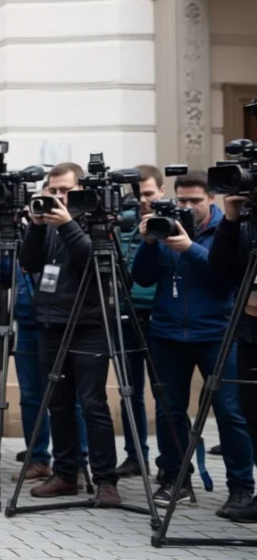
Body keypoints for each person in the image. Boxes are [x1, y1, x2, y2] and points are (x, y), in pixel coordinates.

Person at [133, 171, 254, 514]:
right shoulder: (165, 224)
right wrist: (148, 242)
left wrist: (190, 249)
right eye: (182, 199)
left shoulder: (228, 228)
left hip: (219, 333)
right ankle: (176, 479)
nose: (187, 206)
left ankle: (241, 488)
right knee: (170, 411)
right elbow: (141, 278)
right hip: (168, 333)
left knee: (231, 413)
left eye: (195, 200)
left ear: (211, 199)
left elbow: (226, 280)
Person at [20, 163, 119, 504]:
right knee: (58, 403)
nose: (59, 197)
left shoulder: (98, 221)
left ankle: (106, 480)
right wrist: (36, 227)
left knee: (92, 404)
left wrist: (67, 225)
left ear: (81, 190)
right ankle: (65, 474)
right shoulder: (48, 225)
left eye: (66, 190)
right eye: (53, 190)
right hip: (52, 323)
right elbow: (30, 264)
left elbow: (94, 263)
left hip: (89, 326)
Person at [208, 188, 257, 524]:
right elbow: (221, 269)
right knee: (252, 414)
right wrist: (230, 219)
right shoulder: (244, 222)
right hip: (250, 330)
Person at [116, 164, 163, 477]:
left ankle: (171, 463)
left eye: (148, 193)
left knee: (164, 394)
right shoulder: (123, 222)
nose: (143, 200)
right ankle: (135, 456)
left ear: (161, 191)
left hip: (159, 317)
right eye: (138, 195)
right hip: (124, 315)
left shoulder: (170, 222)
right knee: (128, 392)